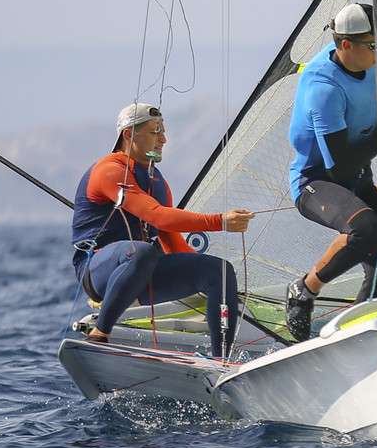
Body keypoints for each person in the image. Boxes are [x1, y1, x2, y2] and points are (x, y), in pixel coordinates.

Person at [71, 103, 253, 356]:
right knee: (143, 252)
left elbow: (172, 243)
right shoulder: (109, 171)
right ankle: (99, 335)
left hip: (142, 269)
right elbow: (159, 218)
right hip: (98, 271)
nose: (164, 139)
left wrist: (225, 291)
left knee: (219, 271)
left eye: (163, 131)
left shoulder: (157, 182)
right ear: (129, 135)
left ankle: (221, 361)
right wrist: (220, 221)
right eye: (156, 132)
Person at [284, 2, 377, 341]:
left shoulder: (368, 54)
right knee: (368, 230)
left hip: (358, 174)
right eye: (373, 44)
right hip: (318, 180)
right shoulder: (324, 88)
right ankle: (303, 291)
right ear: (345, 45)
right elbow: (339, 165)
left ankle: (358, 330)